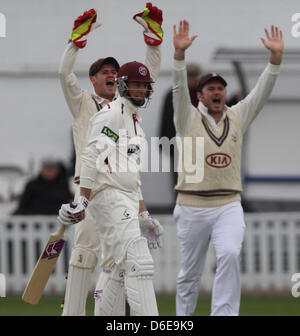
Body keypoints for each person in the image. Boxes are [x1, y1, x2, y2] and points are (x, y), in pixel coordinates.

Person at [172, 20, 283, 316]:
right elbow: (178, 90)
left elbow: (260, 92)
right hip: (191, 205)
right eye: (211, 88)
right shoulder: (187, 118)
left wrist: (274, 61)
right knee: (189, 274)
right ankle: (183, 318)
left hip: (228, 204)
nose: (217, 92)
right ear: (200, 95)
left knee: (230, 254)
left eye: (221, 87)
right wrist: (179, 56)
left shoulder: (238, 116)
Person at [58, 4, 163, 316]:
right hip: (90, 189)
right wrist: (75, 43)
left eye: (114, 72)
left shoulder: (128, 110)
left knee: (115, 263)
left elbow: (146, 79)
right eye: (105, 71)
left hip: (120, 192)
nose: (111, 75)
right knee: (84, 256)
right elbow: (64, 73)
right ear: (92, 79)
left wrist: (154, 42)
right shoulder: (84, 103)